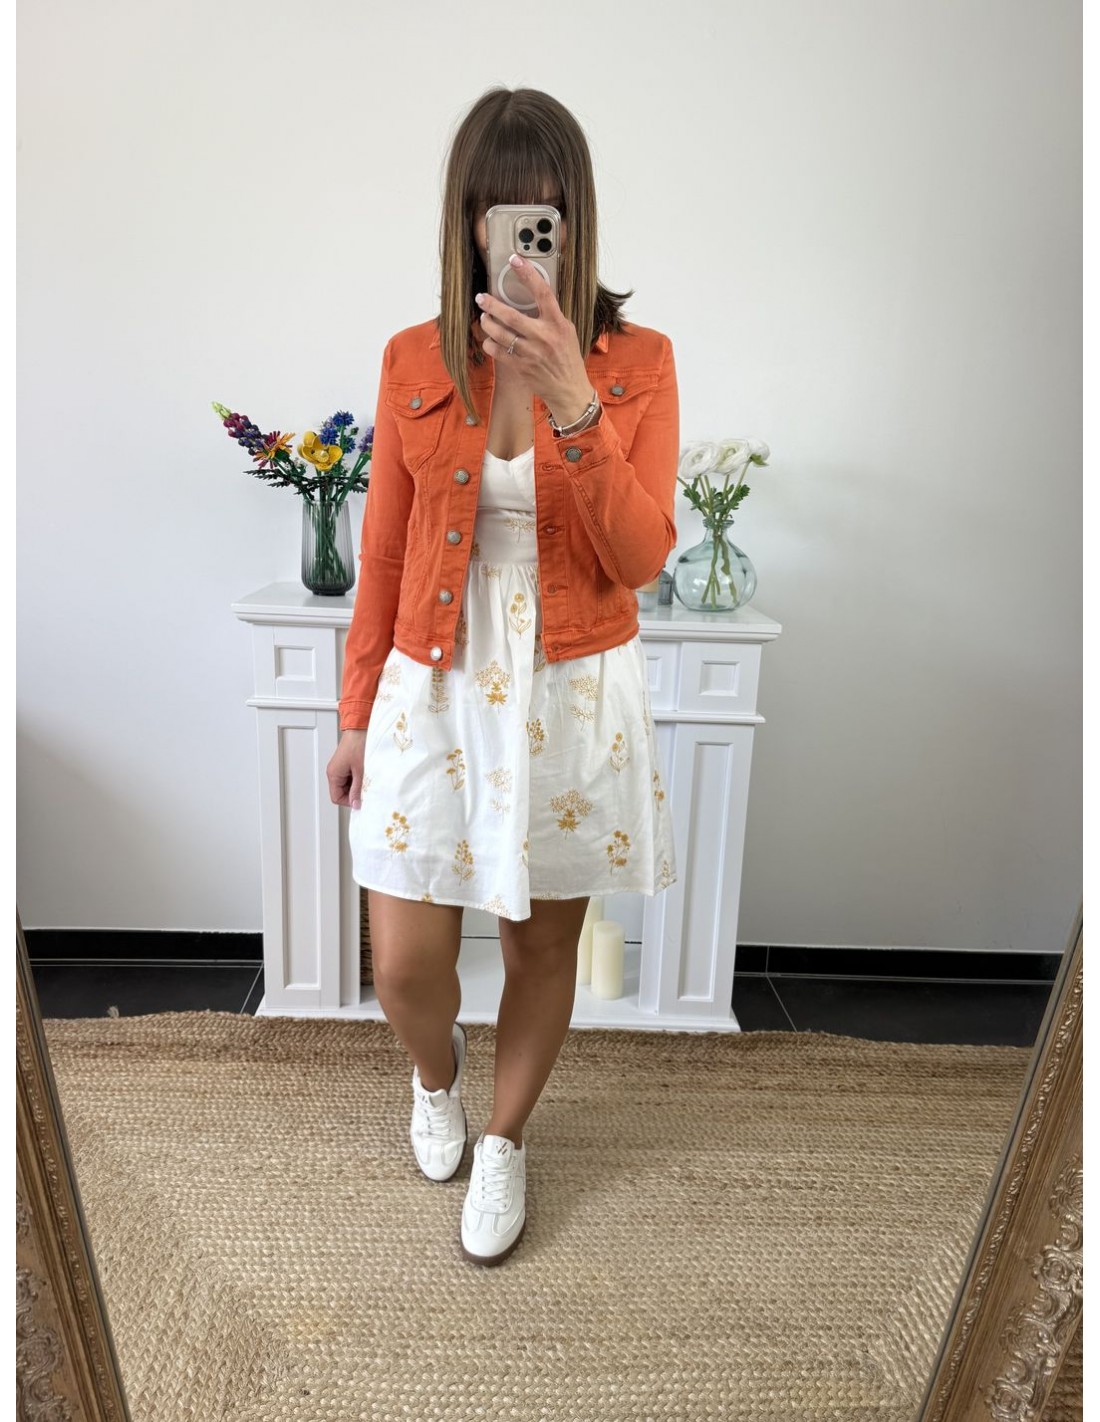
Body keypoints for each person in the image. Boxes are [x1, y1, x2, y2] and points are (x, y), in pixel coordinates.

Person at [325, 86, 679, 1266]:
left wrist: (576, 401)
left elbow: (639, 557)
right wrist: (353, 714)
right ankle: (437, 1076)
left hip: (569, 681)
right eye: (497, 209)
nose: (523, 234)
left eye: (542, 211)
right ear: (465, 221)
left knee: (538, 948)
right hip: (433, 673)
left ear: (573, 218)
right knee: (403, 963)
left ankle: (506, 1140)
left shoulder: (638, 364)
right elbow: (383, 555)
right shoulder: (411, 358)